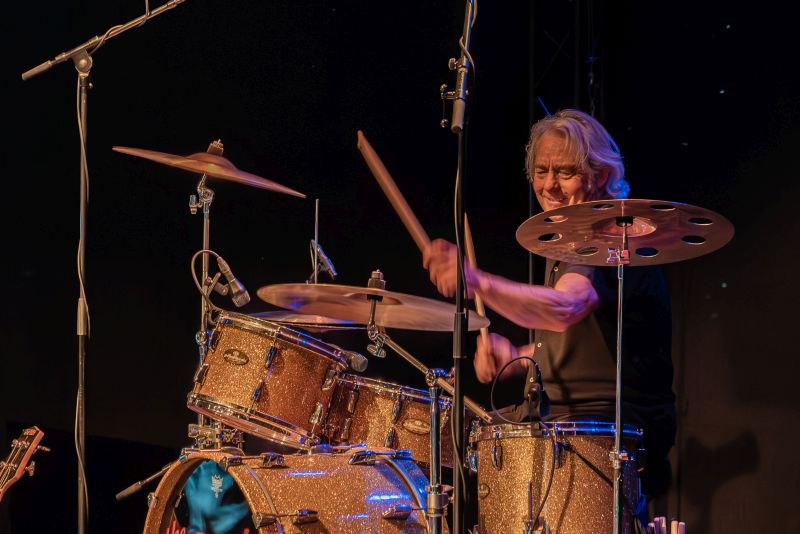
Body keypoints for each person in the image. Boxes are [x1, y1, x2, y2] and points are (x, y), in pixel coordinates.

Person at [422, 109, 676, 499]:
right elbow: (584, 344)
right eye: (541, 171)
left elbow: (564, 308)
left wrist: (475, 281)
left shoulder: (608, 233)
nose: (550, 186)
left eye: (565, 171)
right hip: (559, 414)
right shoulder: (566, 237)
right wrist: (519, 356)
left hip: (601, 431)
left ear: (602, 175)